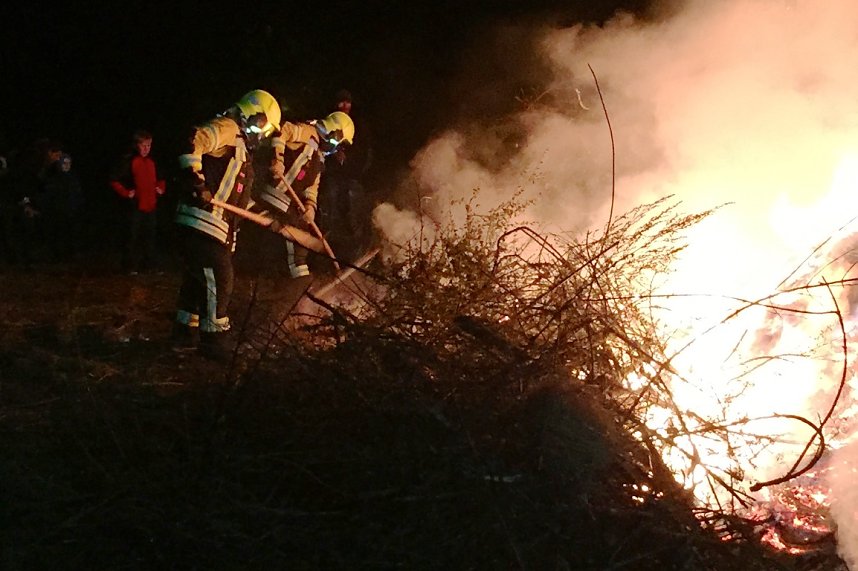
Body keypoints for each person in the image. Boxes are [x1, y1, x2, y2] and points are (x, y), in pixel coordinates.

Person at [170, 89, 282, 360]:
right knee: (219, 278)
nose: (261, 135)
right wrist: (196, 181)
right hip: (202, 222)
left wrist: (263, 215)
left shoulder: (240, 146)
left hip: (210, 225)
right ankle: (214, 340)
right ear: (252, 115)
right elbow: (193, 140)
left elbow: (234, 195)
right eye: (262, 127)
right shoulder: (228, 128)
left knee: (198, 280)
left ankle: (184, 334)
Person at [249, 109, 355, 280]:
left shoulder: (318, 158)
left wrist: (310, 207)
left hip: (280, 199)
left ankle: (298, 276)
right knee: (296, 226)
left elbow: (312, 188)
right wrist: (278, 159)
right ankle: (299, 276)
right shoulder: (307, 132)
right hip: (263, 188)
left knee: (298, 228)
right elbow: (282, 131)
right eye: (339, 142)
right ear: (334, 133)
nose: (337, 148)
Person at [318, 89, 374, 261]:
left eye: (347, 102)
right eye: (341, 102)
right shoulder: (329, 121)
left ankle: (356, 250)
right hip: (332, 175)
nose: (344, 105)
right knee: (331, 208)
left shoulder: (358, 124)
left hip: (353, 176)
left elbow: (364, 150)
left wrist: (354, 167)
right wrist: (333, 154)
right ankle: (330, 251)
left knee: (353, 210)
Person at [110, 130, 166, 273]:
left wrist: (160, 189)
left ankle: (149, 265)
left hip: (151, 205)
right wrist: (126, 193)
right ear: (136, 145)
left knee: (150, 237)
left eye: (149, 145)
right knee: (132, 237)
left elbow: (161, 179)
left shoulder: (152, 161)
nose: (146, 149)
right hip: (135, 206)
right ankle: (129, 266)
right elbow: (114, 180)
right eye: (143, 145)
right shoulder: (129, 161)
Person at [41, 152, 83, 261]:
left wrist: (76, 206)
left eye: (69, 163)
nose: (67, 165)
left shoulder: (73, 178)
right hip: (57, 211)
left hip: (71, 210)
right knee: (59, 233)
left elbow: (78, 194)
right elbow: (49, 195)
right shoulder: (53, 178)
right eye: (64, 163)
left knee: (72, 233)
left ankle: (72, 253)